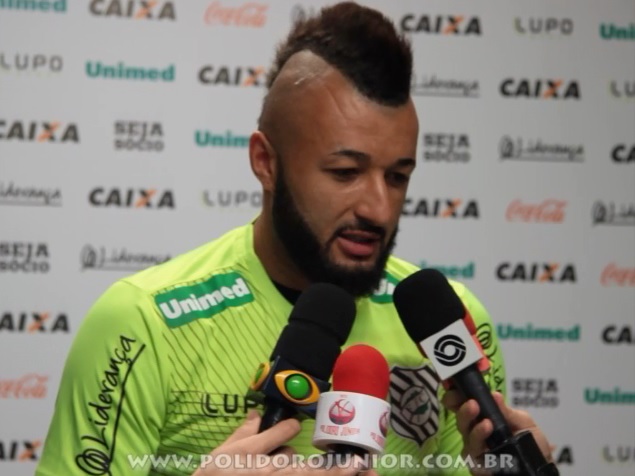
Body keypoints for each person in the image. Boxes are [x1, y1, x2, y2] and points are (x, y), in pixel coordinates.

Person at [36, 3, 554, 475]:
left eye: (398, 176)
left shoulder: (450, 323)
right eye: (345, 172)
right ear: (266, 162)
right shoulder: (142, 323)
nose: (378, 208)